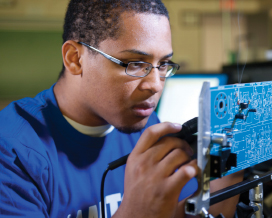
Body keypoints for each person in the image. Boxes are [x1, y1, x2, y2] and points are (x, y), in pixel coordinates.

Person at [0, 0, 243, 217]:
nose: (155, 85)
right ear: (75, 58)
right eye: (134, 64)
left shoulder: (145, 123)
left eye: (163, 65)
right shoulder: (12, 151)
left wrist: (227, 178)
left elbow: (183, 212)